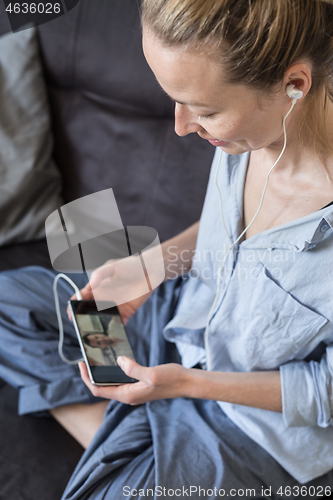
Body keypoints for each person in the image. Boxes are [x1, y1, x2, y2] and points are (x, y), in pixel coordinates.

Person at [0, 0, 333, 498]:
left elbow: (324, 389)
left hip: (254, 421)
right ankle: (134, 431)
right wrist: (151, 265)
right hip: (184, 323)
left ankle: (132, 435)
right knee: (10, 302)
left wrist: (185, 385)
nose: (180, 126)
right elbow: (233, 237)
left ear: (295, 84)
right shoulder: (250, 133)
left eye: (204, 110)